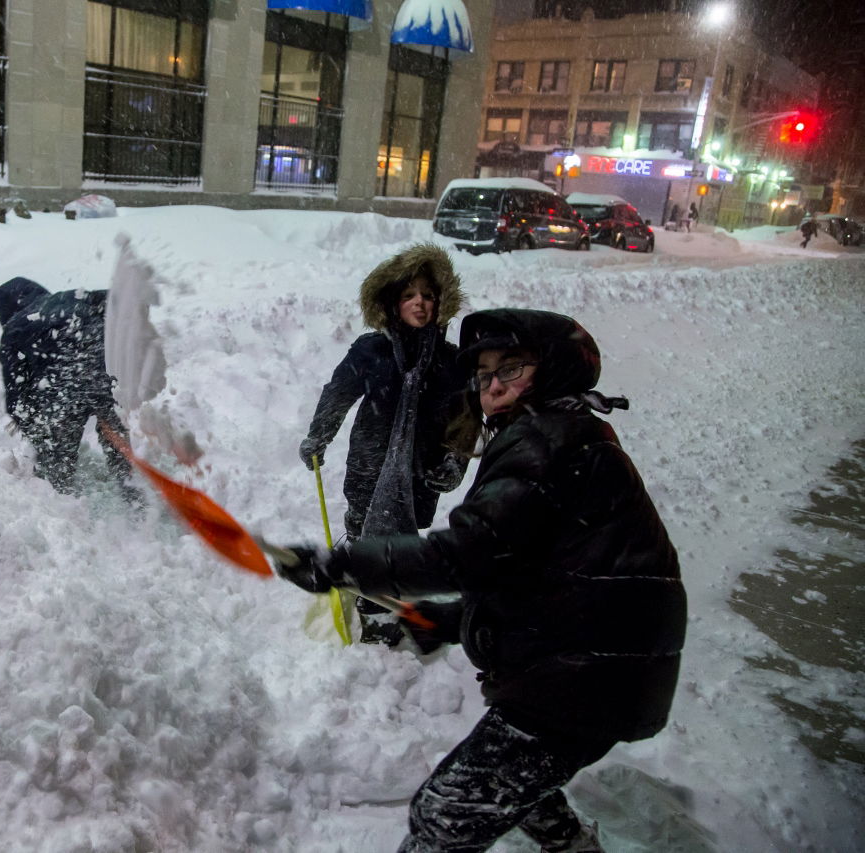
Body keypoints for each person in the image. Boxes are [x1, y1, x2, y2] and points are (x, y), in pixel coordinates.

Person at [274, 308, 687, 852]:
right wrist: (451, 619)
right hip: (594, 665)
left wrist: (344, 567)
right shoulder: (561, 431)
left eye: (511, 369)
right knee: (516, 784)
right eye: (485, 373)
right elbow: (522, 564)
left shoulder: (546, 440)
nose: (493, 386)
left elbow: (466, 553)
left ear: (553, 369)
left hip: (586, 675)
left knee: (445, 813)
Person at [298, 243, 472, 646]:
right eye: (410, 294)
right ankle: (369, 607)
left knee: (404, 542)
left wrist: (455, 462)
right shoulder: (371, 350)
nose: (420, 303)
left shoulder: (450, 362)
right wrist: (318, 435)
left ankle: (390, 601)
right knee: (364, 529)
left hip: (419, 471)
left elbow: (465, 421)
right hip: (369, 464)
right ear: (393, 302)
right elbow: (338, 393)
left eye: (428, 295)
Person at [0, 276, 138, 500]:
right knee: (119, 446)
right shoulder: (67, 299)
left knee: (56, 465)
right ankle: (137, 505)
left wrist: (36, 433)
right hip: (105, 373)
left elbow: (16, 396)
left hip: (64, 389)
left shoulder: (15, 328)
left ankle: (66, 515)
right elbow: (111, 300)